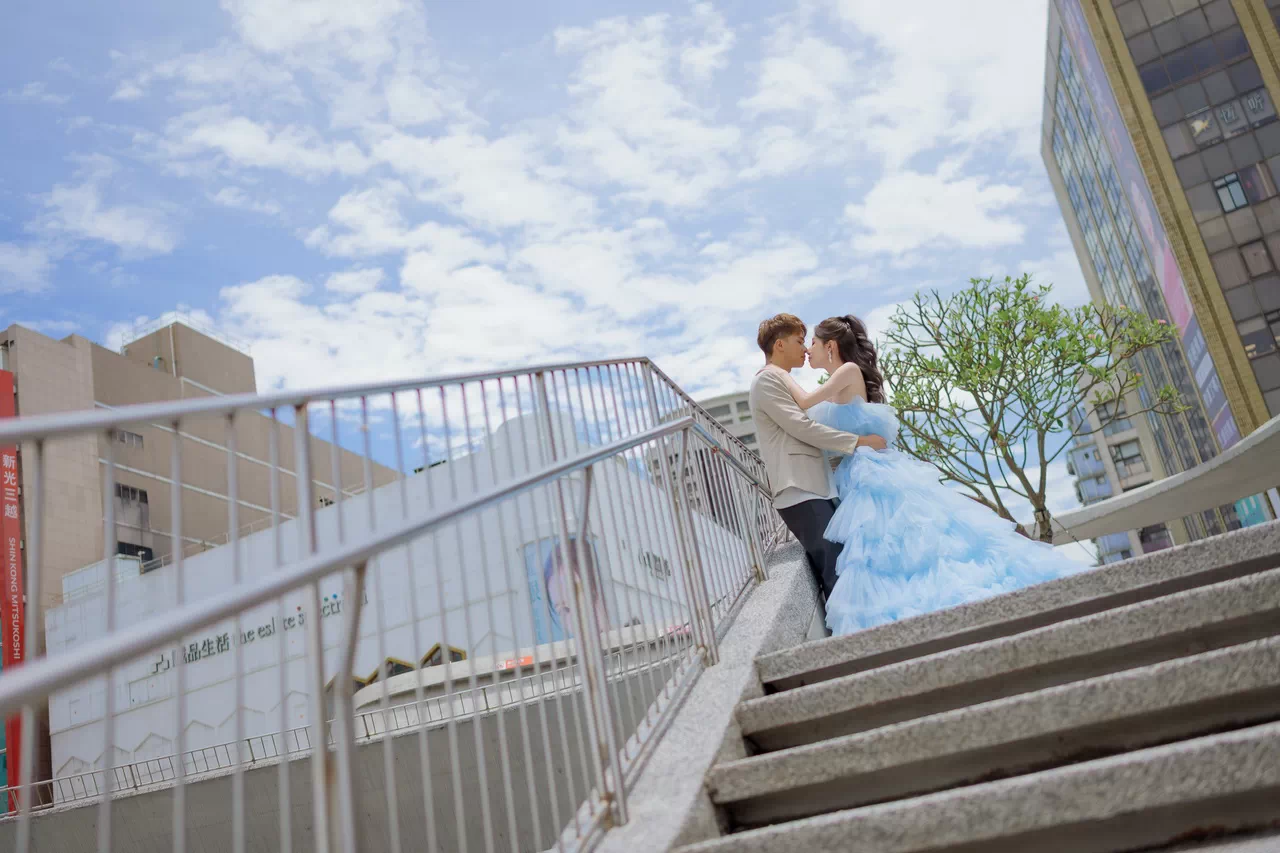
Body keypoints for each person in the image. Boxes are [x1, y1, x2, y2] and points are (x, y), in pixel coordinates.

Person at [774, 314, 1085, 634]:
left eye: (813, 342)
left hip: (871, 471)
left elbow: (805, 401)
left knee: (895, 540)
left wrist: (777, 372)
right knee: (883, 546)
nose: (808, 349)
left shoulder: (847, 371)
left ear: (831, 346)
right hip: (853, 473)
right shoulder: (835, 383)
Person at [748, 314, 888, 605]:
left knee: (842, 566)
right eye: (799, 341)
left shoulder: (782, 378)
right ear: (779, 345)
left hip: (816, 486)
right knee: (836, 570)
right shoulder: (767, 379)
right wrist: (860, 442)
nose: (805, 348)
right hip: (799, 488)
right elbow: (802, 428)